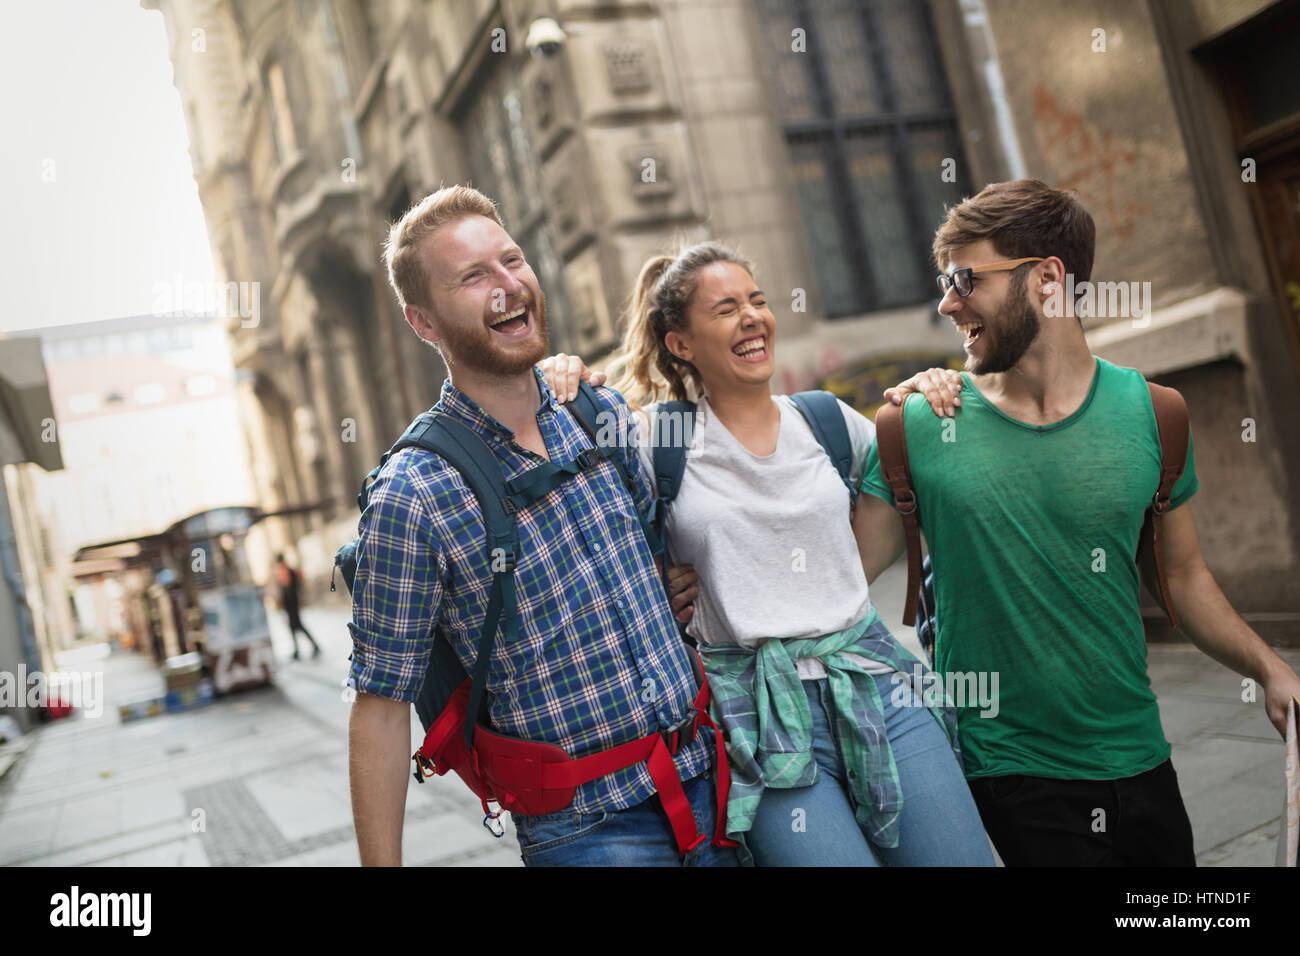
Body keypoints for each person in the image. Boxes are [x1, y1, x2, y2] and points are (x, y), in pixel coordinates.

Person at [853, 178, 1300, 866]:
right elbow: (839, 577)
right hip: (1009, 776)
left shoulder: (1156, 414)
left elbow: (1181, 576)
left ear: (1048, 279)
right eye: (945, 282)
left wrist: (1271, 670)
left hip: (1143, 760)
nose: (947, 302)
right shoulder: (917, 424)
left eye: (965, 279)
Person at [540, 242, 993, 867]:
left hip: (879, 688)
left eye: (757, 301)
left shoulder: (825, 419)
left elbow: (917, 464)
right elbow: (573, 505)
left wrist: (929, 389)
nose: (752, 317)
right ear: (681, 344)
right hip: (758, 719)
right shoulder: (657, 440)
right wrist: (562, 380)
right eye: (726, 310)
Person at [346, 185, 735, 867]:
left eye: (512, 261)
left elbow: (655, 559)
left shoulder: (598, 413)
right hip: (589, 834)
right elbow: (379, 707)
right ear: (424, 322)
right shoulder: (414, 493)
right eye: (473, 277)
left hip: (711, 782)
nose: (507, 287)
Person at [274, 553, 320, 660]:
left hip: (291, 605)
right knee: (294, 626)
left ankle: (310, 646)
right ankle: (298, 649)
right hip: (291, 604)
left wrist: (282, 602)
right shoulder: (287, 570)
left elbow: (288, 589)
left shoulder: (285, 571)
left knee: (297, 625)